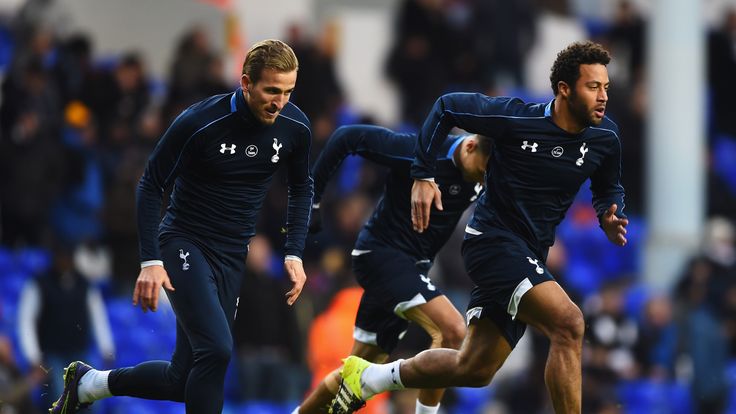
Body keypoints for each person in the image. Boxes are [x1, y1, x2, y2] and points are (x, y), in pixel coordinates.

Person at [330, 40, 629, 414]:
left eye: (606, 88)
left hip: (529, 253)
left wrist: (608, 212)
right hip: (493, 243)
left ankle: (371, 378)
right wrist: (423, 174)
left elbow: (607, 186)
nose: (603, 97)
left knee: (473, 368)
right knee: (569, 324)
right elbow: (446, 107)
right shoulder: (517, 118)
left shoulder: (605, 139)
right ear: (564, 90)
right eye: (593, 87)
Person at [48, 39, 314, 414]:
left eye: (288, 92)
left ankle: (90, 383)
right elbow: (151, 183)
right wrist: (150, 261)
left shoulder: (295, 127)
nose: (280, 101)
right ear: (246, 82)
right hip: (184, 243)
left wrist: (294, 251)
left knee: (182, 379)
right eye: (272, 90)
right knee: (218, 350)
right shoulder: (200, 121)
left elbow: (302, 188)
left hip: (233, 254)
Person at [294, 124, 490, 414]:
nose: (484, 179)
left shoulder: (485, 169)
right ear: (470, 146)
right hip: (380, 256)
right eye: (483, 172)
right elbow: (347, 137)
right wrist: (313, 201)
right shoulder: (419, 153)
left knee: (356, 373)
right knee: (452, 331)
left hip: (410, 269)